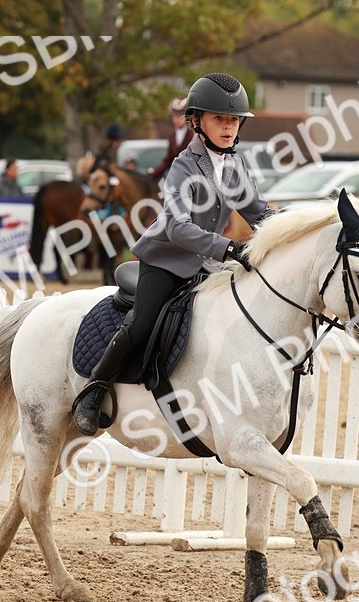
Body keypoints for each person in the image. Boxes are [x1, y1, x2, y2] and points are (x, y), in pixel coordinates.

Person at [72, 72, 274, 436]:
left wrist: (289, 231)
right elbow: (178, 228)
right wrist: (228, 247)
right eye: (219, 119)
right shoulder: (183, 166)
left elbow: (258, 211)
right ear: (197, 121)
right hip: (167, 259)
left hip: (208, 262)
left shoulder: (238, 165)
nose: (228, 127)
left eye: (233, 120)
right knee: (143, 322)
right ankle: (94, 388)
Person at [149, 98, 193, 180]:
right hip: (176, 177)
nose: (177, 119)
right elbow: (168, 160)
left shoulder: (193, 134)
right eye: (175, 116)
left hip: (192, 177)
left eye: (180, 115)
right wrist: (154, 172)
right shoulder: (171, 135)